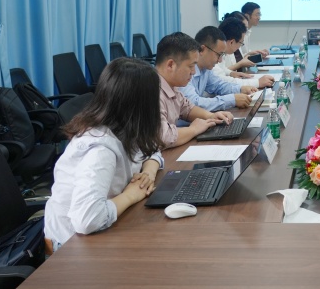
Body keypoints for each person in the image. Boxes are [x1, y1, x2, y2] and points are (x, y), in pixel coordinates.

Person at [45, 58, 164, 250]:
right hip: (71, 244)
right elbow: (86, 220)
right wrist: (130, 196)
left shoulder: (124, 127)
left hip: (101, 226)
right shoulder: (100, 150)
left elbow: (152, 149)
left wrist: (148, 173)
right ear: (142, 105)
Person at [154, 32, 234, 147]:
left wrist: (211, 116)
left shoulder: (172, 86)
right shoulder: (150, 91)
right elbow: (163, 137)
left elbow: (187, 108)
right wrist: (194, 129)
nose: (194, 72)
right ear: (171, 65)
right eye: (191, 66)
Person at [181, 26, 256, 111]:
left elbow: (219, 86)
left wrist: (240, 89)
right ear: (202, 49)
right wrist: (232, 100)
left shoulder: (206, 69)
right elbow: (193, 103)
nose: (220, 60)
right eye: (219, 54)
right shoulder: (185, 71)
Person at [215, 17, 274, 89]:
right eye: (241, 43)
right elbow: (223, 81)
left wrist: (231, 73)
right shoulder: (215, 55)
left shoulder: (220, 51)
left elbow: (221, 69)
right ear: (232, 42)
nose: (240, 46)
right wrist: (258, 82)